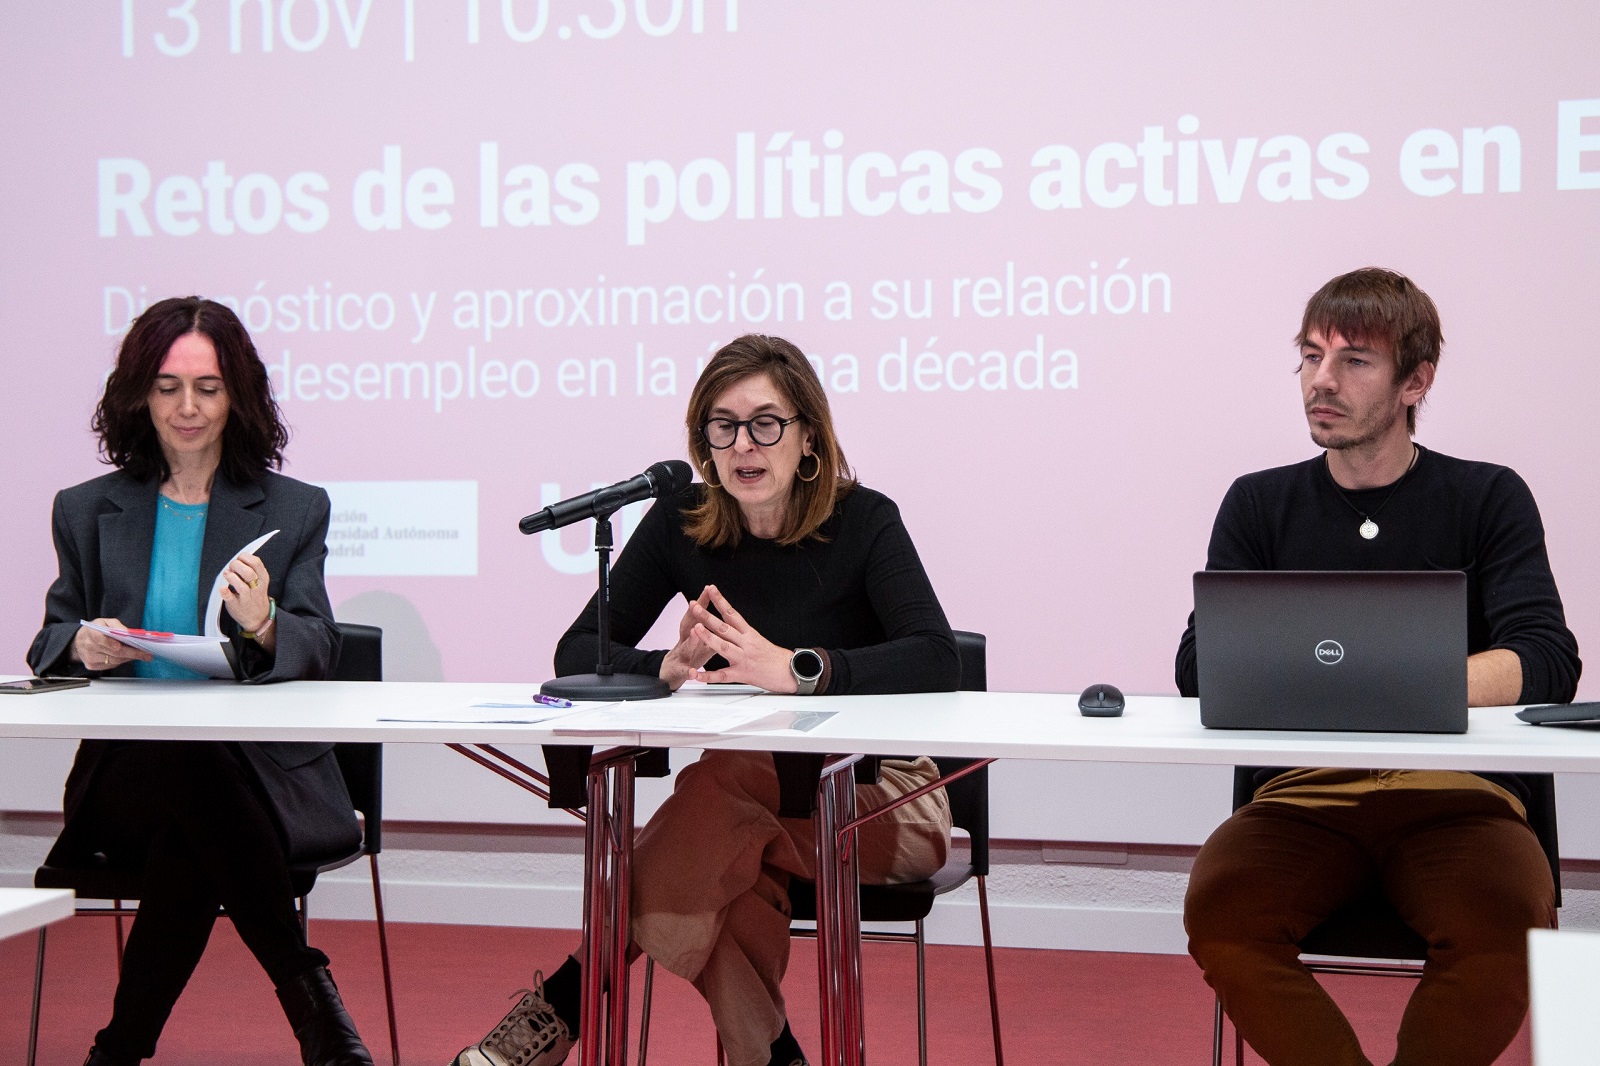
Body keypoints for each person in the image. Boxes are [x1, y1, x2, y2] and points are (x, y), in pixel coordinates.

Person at [452, 334, 959, 1066]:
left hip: (881, 802)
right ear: (704, 442)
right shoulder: (683, 521)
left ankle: (558, 1007)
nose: (744, 444)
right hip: (751, 820)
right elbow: (577, 651)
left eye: (765, 423)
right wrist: (667, 665)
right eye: (723, 426)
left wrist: (801, 670)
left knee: (721, 783)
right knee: (731, 866)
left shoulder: (866, 520)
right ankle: (774, 1055)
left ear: (807, 434)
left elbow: (936, 654)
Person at [1175, 268, 1582, 1066]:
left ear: (1415, 381)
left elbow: (1546, 658)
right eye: (1310, 355)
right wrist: (1386, 680)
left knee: (1509, 929)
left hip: (1460, 797)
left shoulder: (1487, 496)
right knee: (1221, 911)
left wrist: (1387, 683)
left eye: (1354, 360)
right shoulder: (1258, 505)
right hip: (1303, 797)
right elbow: (1201, 665)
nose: (1320, 381)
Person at [29, 297, 374, 1066]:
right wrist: (82, 644)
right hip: (124, 782)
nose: (187, 408)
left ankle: (118, 1051)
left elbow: (317, 641)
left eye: (208, 388)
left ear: (238, 396)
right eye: (167, 387)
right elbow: (47, 640)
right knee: (185, 771)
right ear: (138, 396)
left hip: (256, 782)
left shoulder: (293, 508)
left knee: (193, 824)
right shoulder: (87, 510)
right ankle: (308, 995)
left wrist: (266, 626)